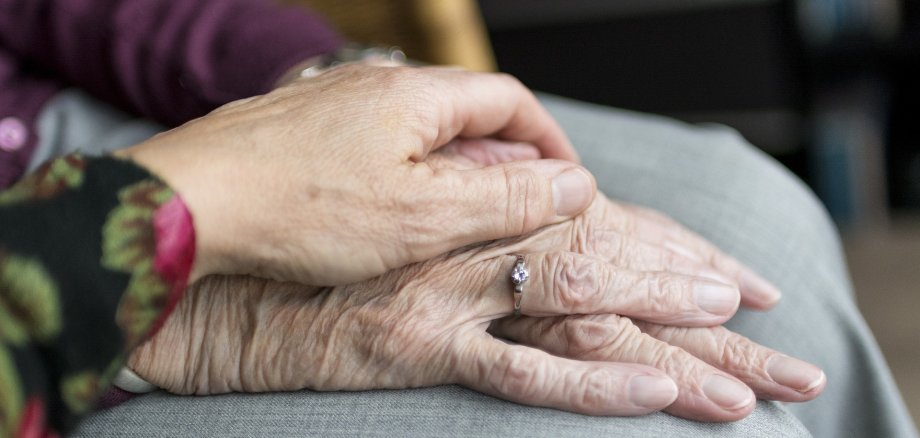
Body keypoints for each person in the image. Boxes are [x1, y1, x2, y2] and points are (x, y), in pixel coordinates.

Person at [0, 1, 915, 438]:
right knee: (673, 428)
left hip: (79, 121)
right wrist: (196, 316)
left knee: (751, 214)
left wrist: (331, 96)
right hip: (39, 338)